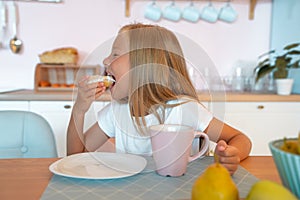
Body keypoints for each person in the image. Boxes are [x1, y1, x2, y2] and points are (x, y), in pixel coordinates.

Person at [67, 23, 252, 175]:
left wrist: (232, 154)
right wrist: (79, 109)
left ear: (144, 65)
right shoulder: (116, 112)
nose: (106, 61)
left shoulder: (184, 109)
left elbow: (240, 138)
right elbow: (75, 157)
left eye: (115, 54)